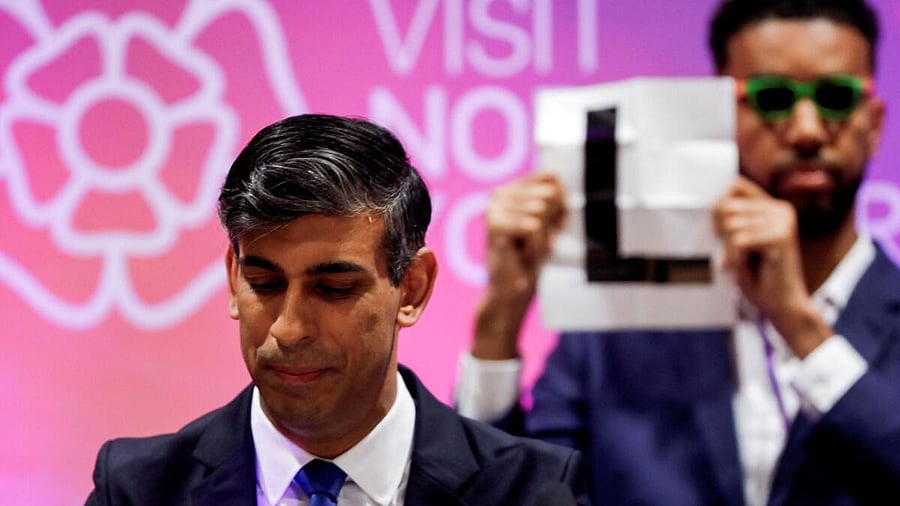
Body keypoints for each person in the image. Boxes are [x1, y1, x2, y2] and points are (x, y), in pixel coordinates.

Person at [456, 1, 900, 505]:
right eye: (771, 97)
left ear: (874, 122)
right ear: (719, 117)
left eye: (836, 97)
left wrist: (802, 329)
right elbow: (516, 495)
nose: (806, 130)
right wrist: (498, 323)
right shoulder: (617, 321)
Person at [86, 114, 587, 506]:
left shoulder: (532, 491)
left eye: (333, 288)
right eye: (264, 283)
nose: (288, 328)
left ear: (411, 288)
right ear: (234, 279)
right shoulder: (137, 489)